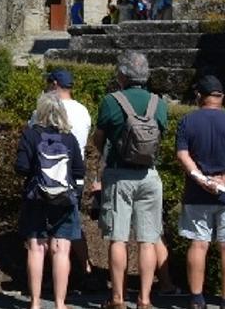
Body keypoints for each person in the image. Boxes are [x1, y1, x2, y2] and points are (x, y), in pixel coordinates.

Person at [92, 51, 168, 309]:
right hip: (150, 175)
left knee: (118, 237)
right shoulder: (159, 103)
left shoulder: (111, 101)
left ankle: (117, 298)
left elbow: (99, 138)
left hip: (119, 174)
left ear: (123, 74)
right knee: (147, 239)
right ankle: (145, 299)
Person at [175, 75, 225, 309]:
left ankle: (197, 298)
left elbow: (182, 154)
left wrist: (199, 177)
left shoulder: (188, 121)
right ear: (221, 97)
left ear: (199, 96)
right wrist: (224, 180)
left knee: (199, 244)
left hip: (198, 193)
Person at [16, 93, 85, 309]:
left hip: (36, 198)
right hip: (64, 200)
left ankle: (35, 303)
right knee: (61, 250)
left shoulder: (31, 135)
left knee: (36, 250)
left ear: (41, 112)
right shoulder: (69, 138)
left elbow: (21, 167)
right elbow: (79, 170)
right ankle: (60, 303)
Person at [44, 69, 93, 285]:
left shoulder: (46, 110)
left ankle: (51, 276)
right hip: (75, 175)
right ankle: (86, 268)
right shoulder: (83, 111)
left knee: (47, 229)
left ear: (54, 84)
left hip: (49, 175)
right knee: (72, 225)